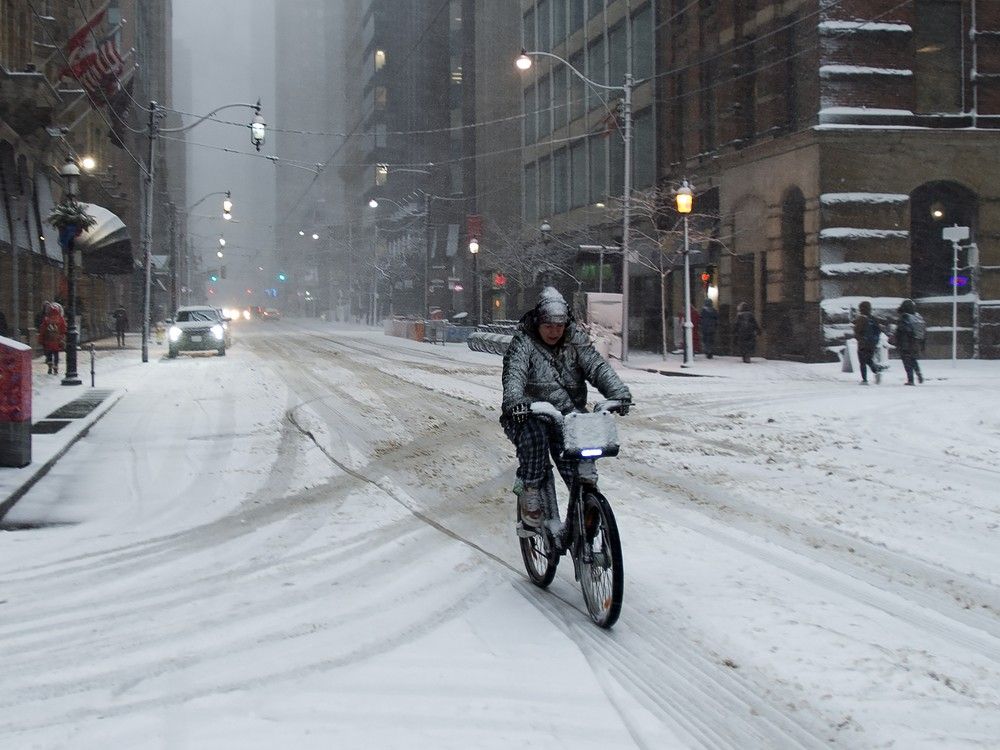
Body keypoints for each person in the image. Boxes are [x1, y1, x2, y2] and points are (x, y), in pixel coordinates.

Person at [500, 287, 632, 527]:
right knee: (536, 441)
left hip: (567, 416)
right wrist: (515, 401)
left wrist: (618, 393)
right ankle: (530, 490)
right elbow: (514, 374)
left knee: (579, 464)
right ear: (538, 323)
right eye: (548, 326)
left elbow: (597, 367)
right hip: (528, 414)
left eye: (559, 326)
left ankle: (587, 505)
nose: (554, 332)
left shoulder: (576, 341)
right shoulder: (523, 343)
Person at [893, 298, 925, 386]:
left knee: (907, 362)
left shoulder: (905, 317)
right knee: (913, 359)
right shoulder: (916, 317)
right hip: (915, 343)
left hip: (905, 343)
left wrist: (897, 337)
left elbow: (902, 330)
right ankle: (919, 374)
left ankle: (910, 380)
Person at [852, 300, 884, 385]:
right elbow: (879, 330)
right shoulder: (873, 319)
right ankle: (876, 372)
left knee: (862, 362)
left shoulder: (861, 319)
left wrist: (859, 337)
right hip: (872, 344)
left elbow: (857, 331)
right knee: (869, 360)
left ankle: (864, 380)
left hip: (863, 344)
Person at [40, 302, 67, 375]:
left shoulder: (47, 319)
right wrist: (62, 337)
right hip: (57, 340)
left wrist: (41, 339)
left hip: (48, 340)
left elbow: (42, 330)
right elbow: (64, 329)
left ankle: (49, 366)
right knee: (56, 354)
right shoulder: (60, 319)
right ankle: (56, 367)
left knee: (49, 354)